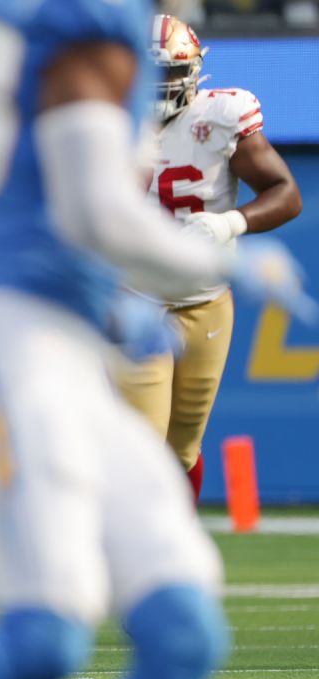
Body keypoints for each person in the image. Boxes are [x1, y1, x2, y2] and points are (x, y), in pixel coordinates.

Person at [0, 0, 314, 679]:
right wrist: (230, 257)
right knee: (48, 637)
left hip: (61, 338)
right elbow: (99, 211)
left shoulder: (19, 21)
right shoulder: (82, 17)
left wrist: (111, 303)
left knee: (185, 633)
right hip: (11, 348)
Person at [118, 14, 302, 501]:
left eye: (170, 75)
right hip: (136, 298)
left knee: (181, 448)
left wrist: (230, 222)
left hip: (204, 300)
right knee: (141, 445)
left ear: (195, 72)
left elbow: (286, 192)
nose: (160, 88)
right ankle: (136, 559)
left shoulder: (220, 118)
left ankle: (178, 547)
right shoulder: (109, 123)